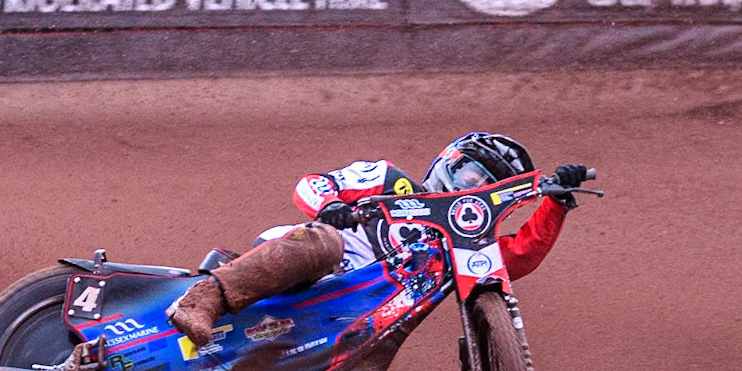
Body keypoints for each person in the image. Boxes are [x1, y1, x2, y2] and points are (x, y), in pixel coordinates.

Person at [167, 132, 591, 347]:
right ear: (450, 163)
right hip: (308, 262)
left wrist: (555, 203)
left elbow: (519, 256)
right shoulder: (390, 180)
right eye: (472, 176)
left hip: (355, 315)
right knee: (325, 245)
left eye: (490, 186)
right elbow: (312, 184)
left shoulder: (464, 243)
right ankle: (203, 300)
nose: (476, 188)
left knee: (382, 343)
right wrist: (331, 206)